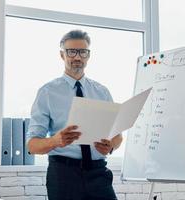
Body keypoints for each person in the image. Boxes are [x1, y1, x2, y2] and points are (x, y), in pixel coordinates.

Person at [27, 29, 123, 200]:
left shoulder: (102, 92)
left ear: (88, 55)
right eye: (71, 52)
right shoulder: (47, 92)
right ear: (62, 55)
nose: (77, 57)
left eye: (82, 52)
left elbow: (117, 136)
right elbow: (32, 145)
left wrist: (111, 146)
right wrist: (55, 141)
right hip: (63, 175)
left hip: (98, 173)